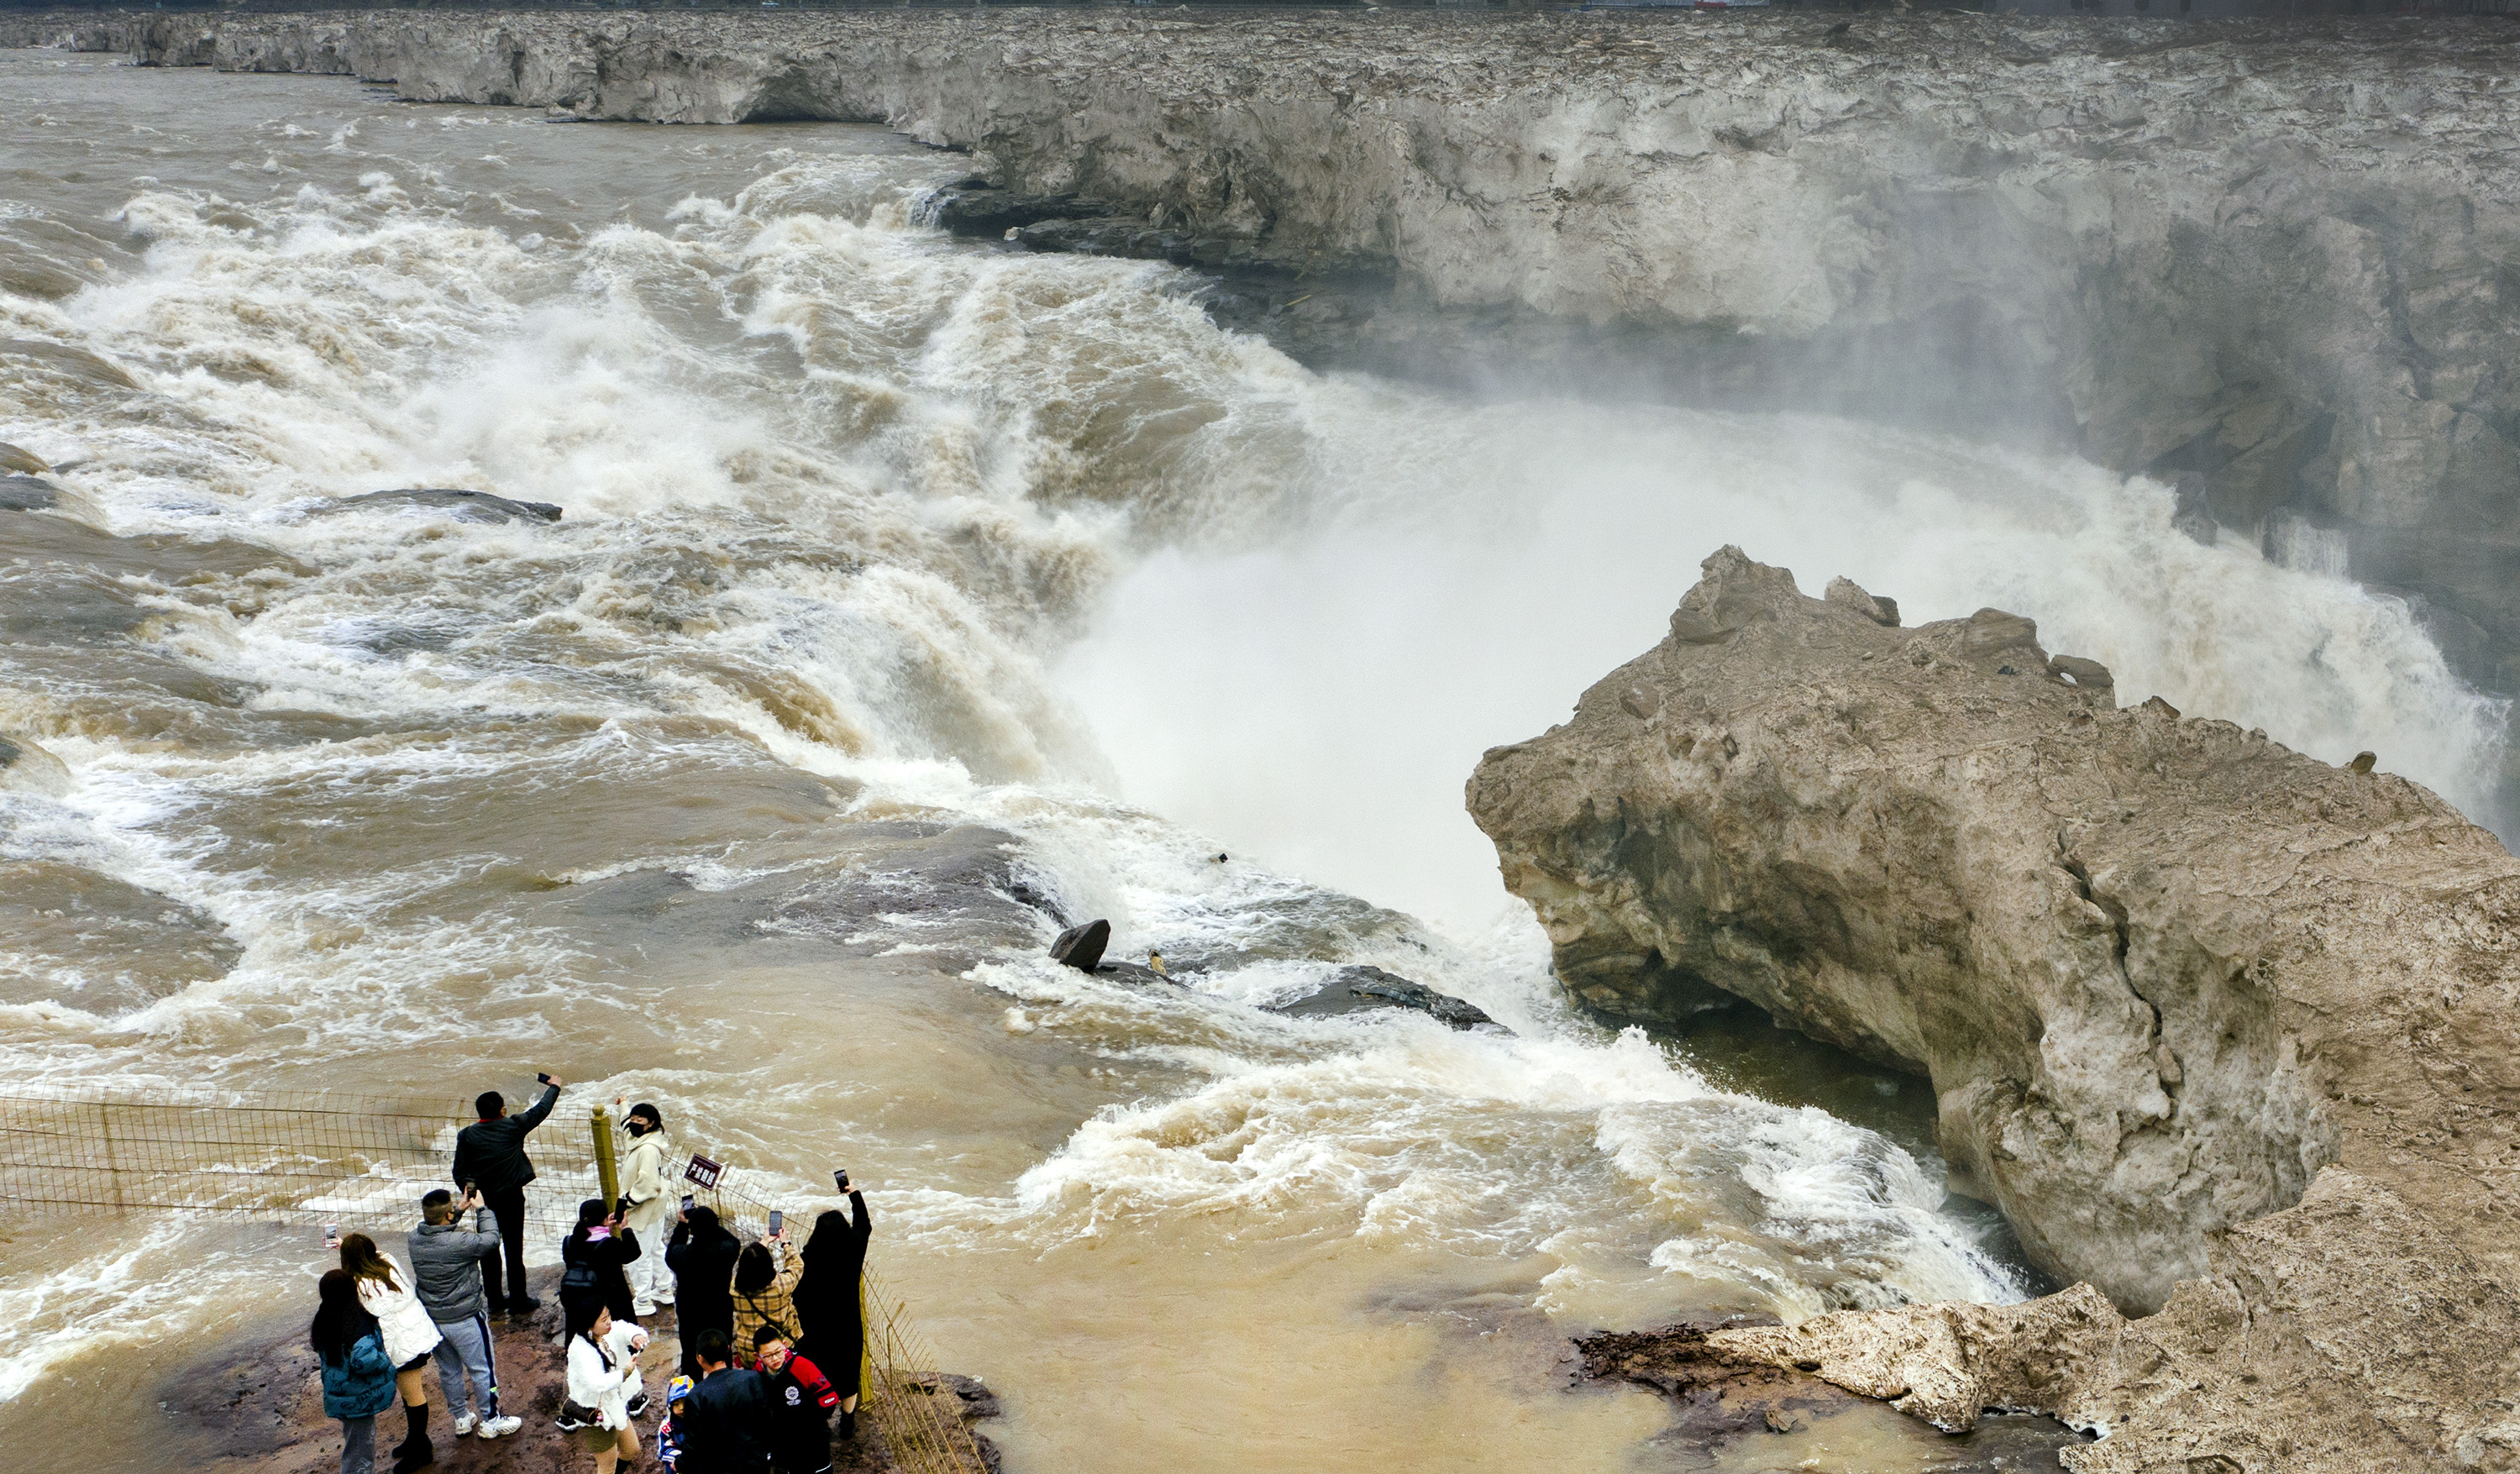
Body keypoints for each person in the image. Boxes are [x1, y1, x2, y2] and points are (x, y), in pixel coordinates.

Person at [407, 1186, 523, 1440]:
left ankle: (461, 1418)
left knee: (449, 1371)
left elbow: (440, 1231)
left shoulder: (414, 1239)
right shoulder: (461, 1242)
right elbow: (491, 1240)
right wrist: (482, 1209)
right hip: (466, 1319)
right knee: (483, 1370)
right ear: (447, 1215)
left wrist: (457, 1209)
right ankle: (491, 1420)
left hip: (434, 1321)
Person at [451, 1073, 564, 1314]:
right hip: (512, 1198)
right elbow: (541, 1110)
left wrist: (471, 1193)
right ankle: (519, 1299)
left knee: (489, 1249)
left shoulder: (467, 1135)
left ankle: (494, 1300)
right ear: (502, 1111)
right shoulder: (513, 1126)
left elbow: (459, 1171)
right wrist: (554, 1086)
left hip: (484, 1202)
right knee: (514, 1249)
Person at [341, 1232, 444, 1474]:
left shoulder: (363, 1286)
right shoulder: (387, 1261)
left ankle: (422, 1450)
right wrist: (349, 1243)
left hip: (403, 1346)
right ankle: (414, 1439)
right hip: (417, 1335)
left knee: (413, 1394)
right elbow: (371, 1252)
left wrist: (385, 1359)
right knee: (411, 1395)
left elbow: (384, 1326)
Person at [792, 1183, 871, 1439]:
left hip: (815, 1328)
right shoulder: (853, 1249)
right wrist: (854, 1195)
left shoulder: (807, 1257)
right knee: (848, 1372)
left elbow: (797, 1291)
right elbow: (864, 1225)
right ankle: (847, 1422)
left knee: (817, 1372)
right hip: (847, 1324)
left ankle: (819, 1417)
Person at [314, 1268, 395, 1474]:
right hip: (359, 1397)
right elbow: (362, 1360)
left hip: (341, 1395)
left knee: (355, 1439)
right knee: (361, 1448)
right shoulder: (357, 1321)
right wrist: (386, 1360)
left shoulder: (323, 1318)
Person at [563, 1297, 648, 1474]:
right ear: (588, 1324)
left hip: (615, 1405)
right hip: (597, 1417)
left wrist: (636, 1336)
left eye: (608, 1315)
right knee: (607, 1466)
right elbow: (597, 1383)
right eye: (603, 1319)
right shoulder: (580, 1350)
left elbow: (623, 1328)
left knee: (632, 1449)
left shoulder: (604, 1333)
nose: (609, 1321)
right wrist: (625, 1372)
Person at [675, 1327, 775, 1474]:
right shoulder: (752, 1378)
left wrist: (679, 1464)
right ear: (728, 1349)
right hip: (755, 1464)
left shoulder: (696, 1396)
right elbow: (768, 1420)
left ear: (700, 1358)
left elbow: (694, 1443)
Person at [614, 1097, 676, 1316]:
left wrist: (625, 1204)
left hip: (643, 1207)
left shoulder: (648, 1150)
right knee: (655, 1248)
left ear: (650, 1123)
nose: (633, 1123)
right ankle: (664, 1288)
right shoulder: (638, 1136)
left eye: (639, 1120)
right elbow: (625, 1126)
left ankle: (643, 1300)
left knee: (638, 1254)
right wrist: (623, 1105)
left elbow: (648, 1185)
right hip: (655, 1208)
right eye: (632, 1118)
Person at [666, 1205, 740, 1380]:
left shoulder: (681, 1254)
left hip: (689, 1312)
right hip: (718, 1309)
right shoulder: (725, 1251)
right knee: (722, 1349)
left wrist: (683, 1225)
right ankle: (725, 1383)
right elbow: (734, 1241)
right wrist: (713, 1225)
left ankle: (690, 1390)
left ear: (693, 1230)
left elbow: (671, 1251)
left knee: (691, 1352)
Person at [753, 1326, 839, 1474]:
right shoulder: (757, 1374)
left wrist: (808, 1426)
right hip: (783, 1445)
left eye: (778, 1352)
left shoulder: (803, 1367)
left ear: (784, 1345)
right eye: (768, 1355)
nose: (775, 1358)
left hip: (812, 1442)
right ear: (758, 1356)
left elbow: (829, 1400)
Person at [562, 1196, 644, 1325]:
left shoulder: (568, 1242)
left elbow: (584, 1243)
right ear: (605, 1219)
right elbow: (633, 1252)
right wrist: (625, 1228)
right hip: (613, 1303)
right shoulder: (611, 1244)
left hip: (583, 1299)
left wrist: (605, 1227)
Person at [730, 1236, 801, 1363]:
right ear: (769, 1264)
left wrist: (764, 1241)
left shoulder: (734, 1289)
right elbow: (797, 1265)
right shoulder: (781, 1286)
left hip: (750, 1352)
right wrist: (785, 1243)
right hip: (780, 1350)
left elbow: (750, 1265)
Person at [655, 1374, 696, 1473]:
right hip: (677, 1465)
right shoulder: (667, 1427)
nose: (681, 1408)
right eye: (676, 1404)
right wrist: (678, 1458)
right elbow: (662, 1451)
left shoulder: (702, 1418)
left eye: (685, 1402)